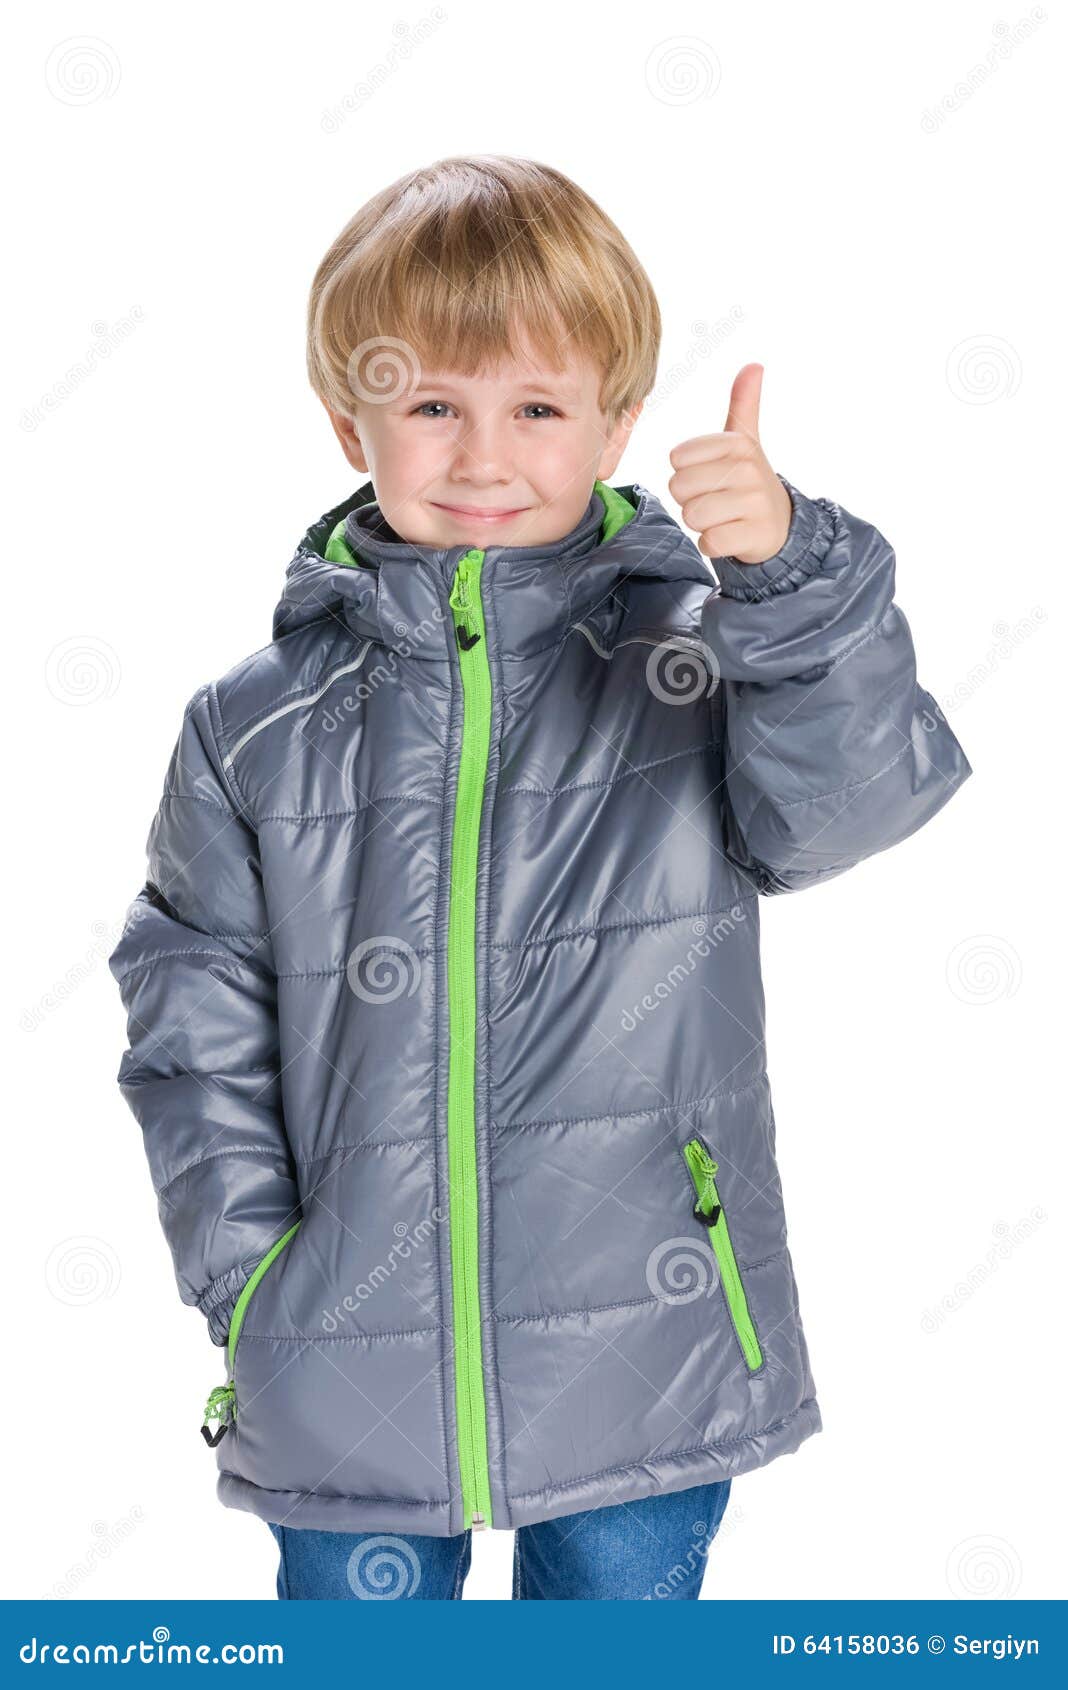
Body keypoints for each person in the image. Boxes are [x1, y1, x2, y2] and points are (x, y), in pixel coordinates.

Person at [109, 154, 971, 1600]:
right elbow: (189, 1026)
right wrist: (251, 1281)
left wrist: (790, 584)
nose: (485, 455)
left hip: (649, 1338)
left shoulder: (691, 656)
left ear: (617, 420)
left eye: (538, 407)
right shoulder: (250, 725)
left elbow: (846, 804)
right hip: (341, 1358)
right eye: (433, 403)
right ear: (350, 418)